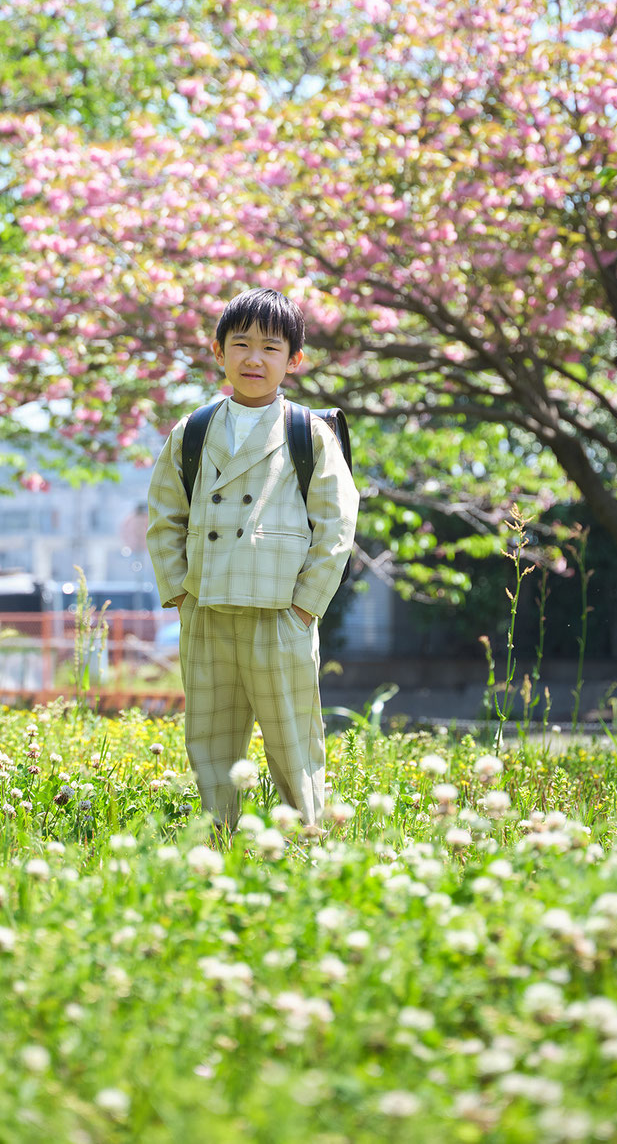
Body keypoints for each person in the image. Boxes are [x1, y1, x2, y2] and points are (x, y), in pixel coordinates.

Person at [147, 288, 359, 831]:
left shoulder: (307, 431)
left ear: (294, 360)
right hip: (208, 607)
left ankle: (306, 839)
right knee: (210, 740)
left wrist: (306, 606)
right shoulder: (192, 430)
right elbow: (165, 515)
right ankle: (218, 839)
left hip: (279, 610)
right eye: (240, 344)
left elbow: (337, 523)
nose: (253, 358)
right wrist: (181, 595)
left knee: (293, 738)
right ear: (218, 352)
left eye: (270, 346)